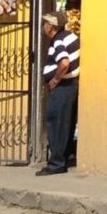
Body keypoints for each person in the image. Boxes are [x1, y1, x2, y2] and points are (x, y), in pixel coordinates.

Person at [37, 10, 78, 176]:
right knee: (65, 124)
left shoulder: (58, 41)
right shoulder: (69, 36)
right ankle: (63, 159)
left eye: (45, 23)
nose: (43, 26)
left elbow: (64, 62)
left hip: (63, 87)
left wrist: (55, 80)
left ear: (52, 27)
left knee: (56, 124)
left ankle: (56, 164)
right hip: (70, 86)